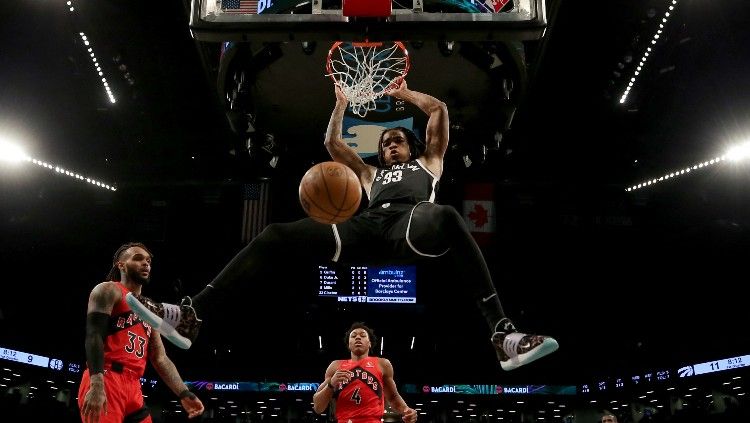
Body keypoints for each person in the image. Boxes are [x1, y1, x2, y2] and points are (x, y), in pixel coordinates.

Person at [125, 80, 558, 371]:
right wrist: (340, 105)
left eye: (397, 140)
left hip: (411, 226)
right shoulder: (369, 176)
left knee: (444, 215)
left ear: (412, 146)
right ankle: (192, 314)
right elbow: (333, 143)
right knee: (276, 233)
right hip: (365, 228)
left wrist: (405, 93)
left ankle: (502, 333)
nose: (390, 145)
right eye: (385, 143)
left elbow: (440, 110)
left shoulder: (430, 164)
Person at [79, 242, 204, 423]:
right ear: (120, 265)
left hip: (134, 384)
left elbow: (160, 358)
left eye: (148, 260)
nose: (146, 263)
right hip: (105, 376)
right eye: (138, 259)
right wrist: (96, 383)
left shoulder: (150, 309)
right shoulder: (108, 290)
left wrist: (183, 392)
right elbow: (94, 335)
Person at [312, 322, 417, 423]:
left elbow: (393, 397)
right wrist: (331, 384)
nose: (358, 337)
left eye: (363, 335)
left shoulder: (383, 364)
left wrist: (406, 410)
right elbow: (318, 407)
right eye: (353, 336)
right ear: (349, 344)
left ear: (369, 343)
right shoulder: (335, 366)